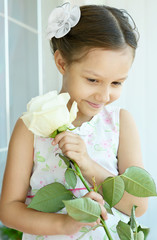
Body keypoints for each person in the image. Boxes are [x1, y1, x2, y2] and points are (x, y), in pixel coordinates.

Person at [0, 2, 148, 240]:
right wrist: (65, 224)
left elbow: (138, 206)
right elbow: (8, 210)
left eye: (117, 83)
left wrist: (88, 164)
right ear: (62, 63)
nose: (104, 95)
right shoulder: (31, 126)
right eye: (92, 80)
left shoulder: (121, 123)